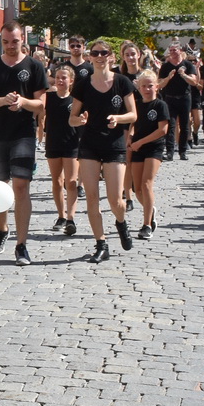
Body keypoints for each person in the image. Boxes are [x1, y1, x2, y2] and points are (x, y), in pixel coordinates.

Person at [0, 21, 48, 264]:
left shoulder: (34, 66)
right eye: (5, 42)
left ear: (22, 39)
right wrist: (3, 101)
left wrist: (22, 103)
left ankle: (22, 244)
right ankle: (2, 230)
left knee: (20, 186)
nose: (9, 46)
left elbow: (41, 104)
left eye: (14, 41)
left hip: (23, 133)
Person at [68, 41, 137, 262]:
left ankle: (121, 222)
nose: (99, 56)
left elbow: (133, 114)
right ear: (90, 57)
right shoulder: (82, 85)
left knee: (116, 200)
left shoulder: (122, 82)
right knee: (91, 197)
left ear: (111, 56)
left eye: (103, 53)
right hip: (89, 144)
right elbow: (72, 118)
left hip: (114, 145)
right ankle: (101, 243)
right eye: (95, 53)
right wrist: (81, 120)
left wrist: (118, 118)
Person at [127, 70, 170, 238]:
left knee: (146, 184)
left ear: (157, 87)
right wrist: (130, 138)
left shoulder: (160, 105)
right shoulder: (136, 104)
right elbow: (131, 124)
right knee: (136, 188)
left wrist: (140, 142)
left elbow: (162, 130)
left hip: (154, 148)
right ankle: (150, 209)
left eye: (150, 86)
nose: (146, 89)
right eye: (143, 86)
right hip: (137, 148)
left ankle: (146, 224)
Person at [44, 62, 80, 235]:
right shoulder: (48, 98)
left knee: (71, 182)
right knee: (57, 181)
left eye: (63, 78)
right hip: (53, 142)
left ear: (71, 81)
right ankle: (61, 215)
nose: (60, 81)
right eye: (57, 77)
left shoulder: (76, 100)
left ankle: (71, 218)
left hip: (72, 143)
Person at [157, 43, 201, 158]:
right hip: (170, 98)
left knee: (185, 124)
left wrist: (183, 75)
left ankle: (183, 151)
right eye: (170, 50)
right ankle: (170, 151)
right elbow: (159, 84)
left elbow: (194, 82)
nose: (172, 52)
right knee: (171, 125)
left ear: (180, 50)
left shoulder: (187, 65)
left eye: (174, 50)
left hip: (185, 98)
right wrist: (168, 78)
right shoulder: (166, 67)